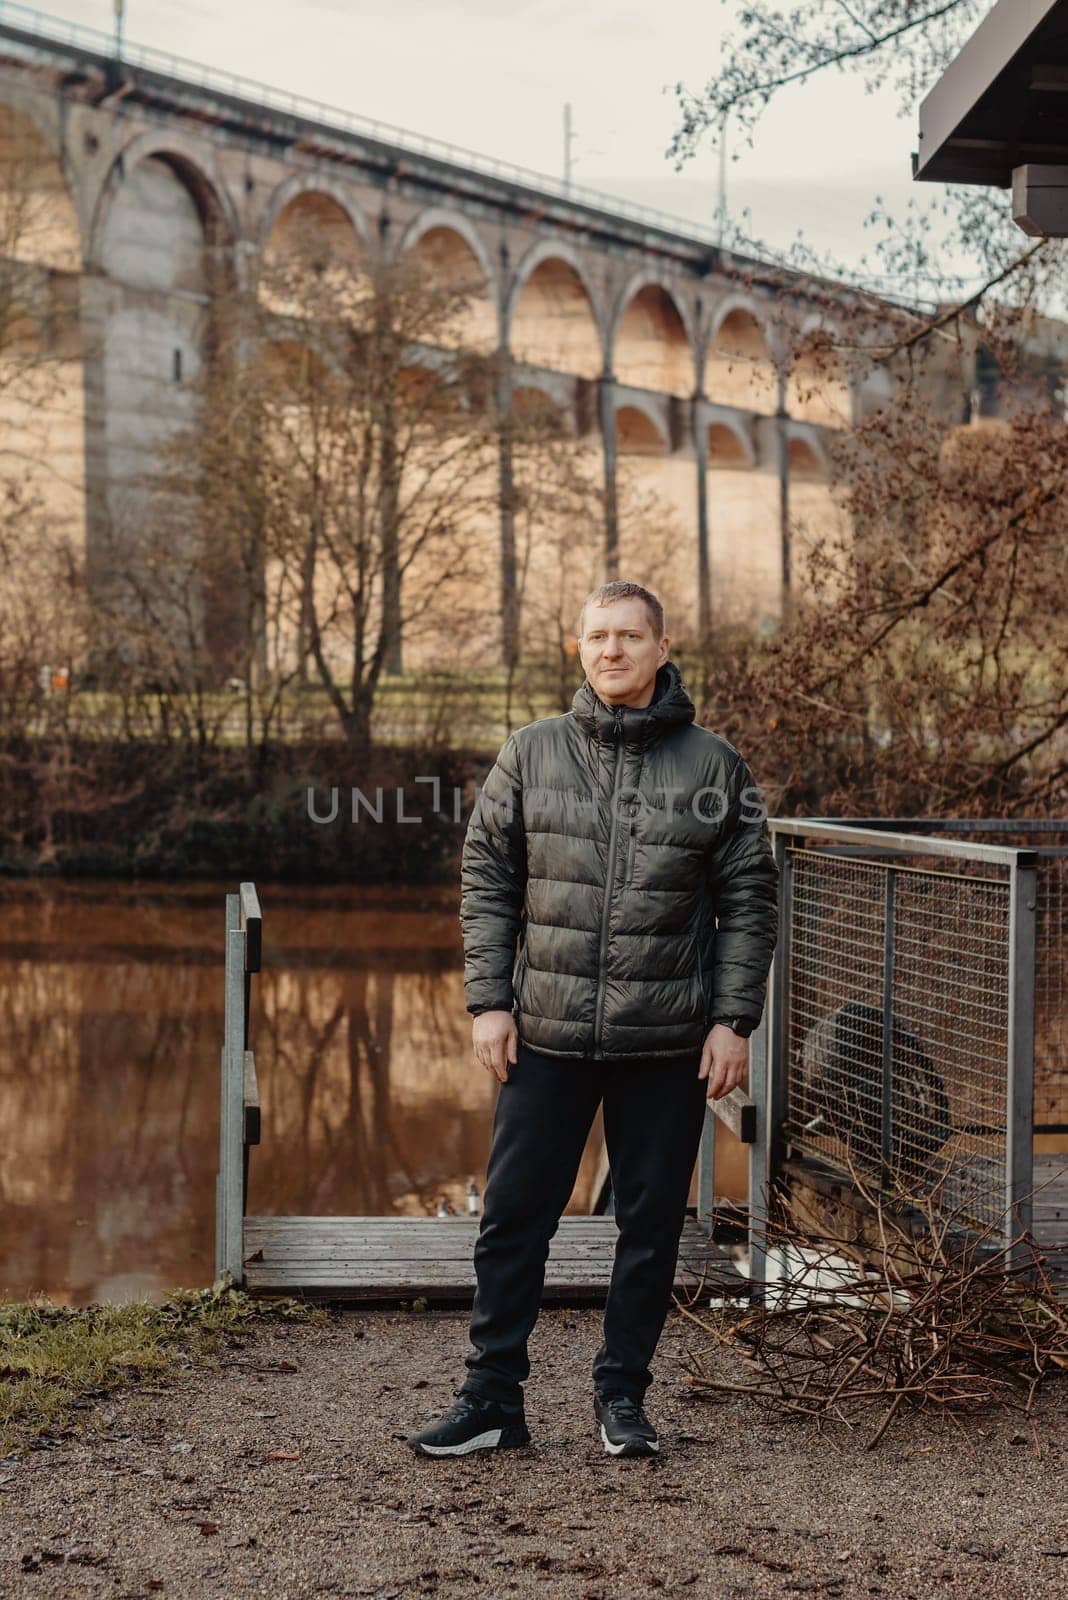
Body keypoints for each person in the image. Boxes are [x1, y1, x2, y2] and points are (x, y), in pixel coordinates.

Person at [407, 579, 779, 1459]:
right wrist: (489, 1000)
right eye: (596, 636)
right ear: (579, 648)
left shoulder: (715, 766)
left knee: (650, 1228)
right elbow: (487, 879)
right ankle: (493, 1399)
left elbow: (750, 900)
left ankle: (622, 1400)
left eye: (627, 636)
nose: (610, 650)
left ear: (660, 647)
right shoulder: (531, 754)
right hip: (547, 1033)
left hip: (666, 1040)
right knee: (511, 1219)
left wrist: (733, 1021)